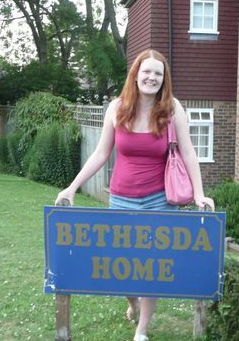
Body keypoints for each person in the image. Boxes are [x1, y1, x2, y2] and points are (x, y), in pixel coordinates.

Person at [55, 48, 214, 341]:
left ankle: (142, 330)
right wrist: (72, 187)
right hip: (122, 198)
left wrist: (199, 194)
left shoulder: (172, 109)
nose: (151, 77)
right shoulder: (117, 108)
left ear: (164, 78)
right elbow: (101, 153)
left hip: (160, 200)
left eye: (158, 73)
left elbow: (189, 152)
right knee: (122, 266)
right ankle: (132, 302)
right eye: (147, 72)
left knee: (153, 267)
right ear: (136, 75)